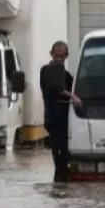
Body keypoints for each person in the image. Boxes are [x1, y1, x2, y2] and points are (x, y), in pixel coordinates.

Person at [40, 41, 82, 182]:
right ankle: (59, 187)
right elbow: (56, 87)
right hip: (54, 120)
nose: (59, 59)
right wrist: (73, 97)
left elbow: (75, 87)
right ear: (51, 54)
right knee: (59, 159)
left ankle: (62, 188)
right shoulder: (47, 70)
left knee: (64, 156)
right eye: (56, 56)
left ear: (66, 56)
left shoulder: (66, 76)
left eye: (62, 57)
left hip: (66, 122)